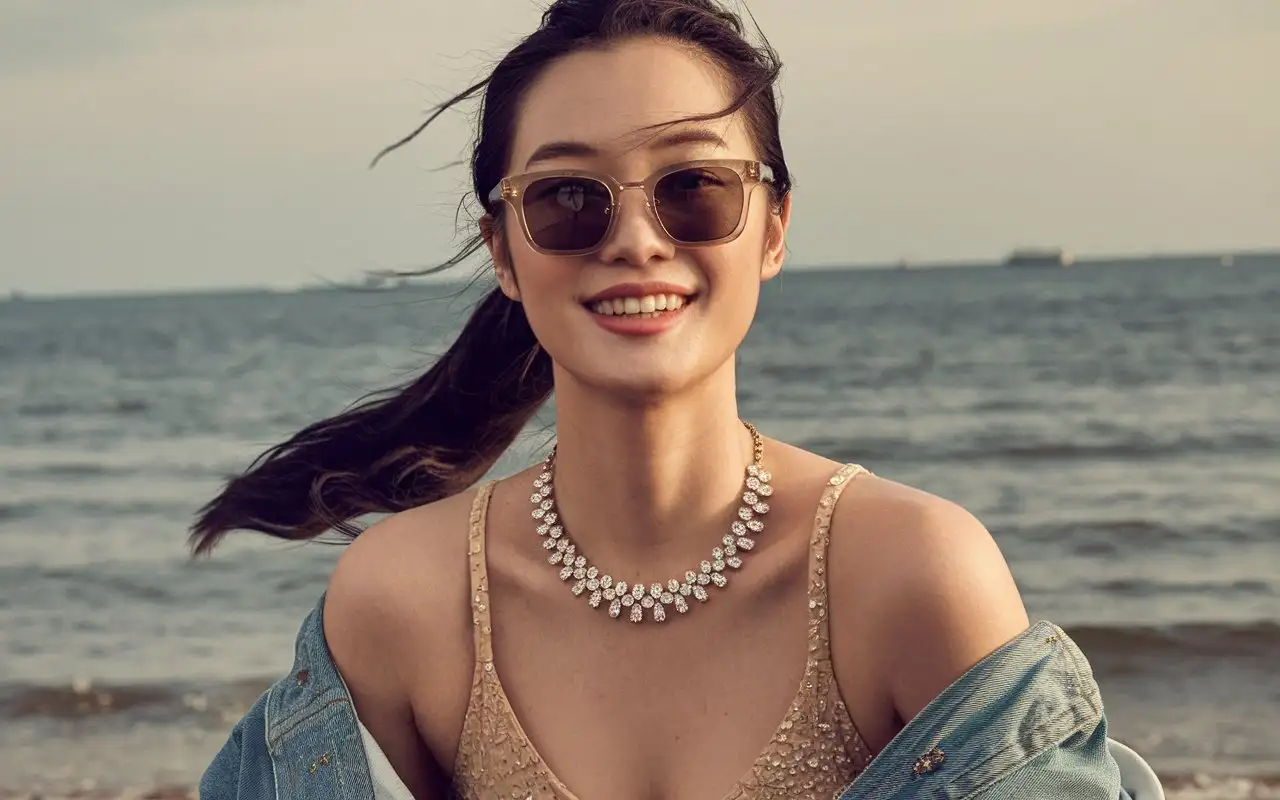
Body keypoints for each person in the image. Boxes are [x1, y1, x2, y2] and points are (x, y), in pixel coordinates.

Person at [192, 0, 1130, 797]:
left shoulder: (908, 577)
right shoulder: (405, 604)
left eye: (693, 188)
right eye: (569, 198)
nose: (637, 239)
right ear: (504, 251)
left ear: (772, 229)